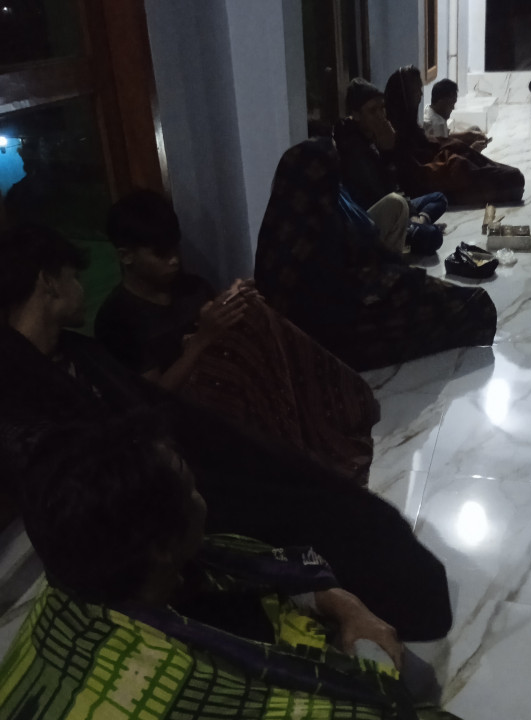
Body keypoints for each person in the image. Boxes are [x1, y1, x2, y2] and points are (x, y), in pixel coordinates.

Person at [0, 224, 452, 641]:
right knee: (325, 521)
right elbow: (91, 488)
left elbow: (148, 404)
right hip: (144, 507)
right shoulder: (21, 388)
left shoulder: (75, 350)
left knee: (320, 488)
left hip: (175, 460)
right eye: (73, 278)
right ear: (49, 282)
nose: (80, 289)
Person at [0, 415, 453, 720]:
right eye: (189, 487)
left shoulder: (95, 565)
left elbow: (269, 567)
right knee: (411, 679)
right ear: (162, 545)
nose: (202, 496)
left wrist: (348, 606)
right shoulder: (176, 685)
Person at [95, 189, 379, 484]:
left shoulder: (191, 288)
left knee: (255, 313)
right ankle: (287, 447)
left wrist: (237, 303)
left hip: (229, 391)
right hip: (181, 416)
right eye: (161, 254)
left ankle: (322, 418)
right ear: (126, 256)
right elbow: (149, 399)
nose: (174, 260)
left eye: (175, 249)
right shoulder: (118, 318)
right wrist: (202, 339)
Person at [254, 138, 497, 372]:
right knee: (455, 303)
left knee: (416, 278)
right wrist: (387, 279)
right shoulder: (309, 227)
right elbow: (342, 283)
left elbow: (362, 251)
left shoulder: (285, 222)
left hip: (339, 303)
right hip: (337, 324)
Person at [334, 77, 447, 255]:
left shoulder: (374, 136)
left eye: (382, 108)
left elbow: (400, 182)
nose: (381, 115)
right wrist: (387, 153)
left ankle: (418, 223)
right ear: (356, 115)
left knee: (439, 198)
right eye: (372, 111)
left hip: (395, 204)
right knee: (433, 236)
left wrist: (413, 215)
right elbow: (383, 194)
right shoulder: (352, 147)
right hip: (372, 216)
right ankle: (415, 228)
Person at [384, 66, 525, 206]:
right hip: (442, 182)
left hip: (448, 170)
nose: (421, 94)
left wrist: (459, 145)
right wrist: (454, 159)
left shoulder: (410, 125)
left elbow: (430, 144)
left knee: (508, 173)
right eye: (416, 90)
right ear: (404, 96)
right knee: (513, 178)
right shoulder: (393, 135)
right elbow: (420, 174)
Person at [423, 78, 489, 152]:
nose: (453, 108)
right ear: (441, 102)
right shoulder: (437, 125)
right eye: (452, 103)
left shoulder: (428, 109)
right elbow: (444, 157)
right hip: (442, 156)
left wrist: (469, 134)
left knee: (474, 130)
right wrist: (473, 149)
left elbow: (446, 136)